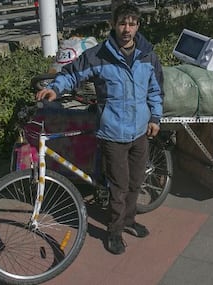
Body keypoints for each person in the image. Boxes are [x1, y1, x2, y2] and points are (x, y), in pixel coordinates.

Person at [36, 2, 164, 255]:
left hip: (140, 132)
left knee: (136, 182)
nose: (127, 29)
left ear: (138, 25)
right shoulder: (98, 55)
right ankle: (114, 232)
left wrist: (155, 118)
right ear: (113, 25)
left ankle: (129, 220)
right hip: (113, 133)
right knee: (119, 187)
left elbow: (155, 90)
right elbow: (72, 74)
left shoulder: (148, 55)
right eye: (122, 23)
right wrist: (55, 87)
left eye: (132, 23)